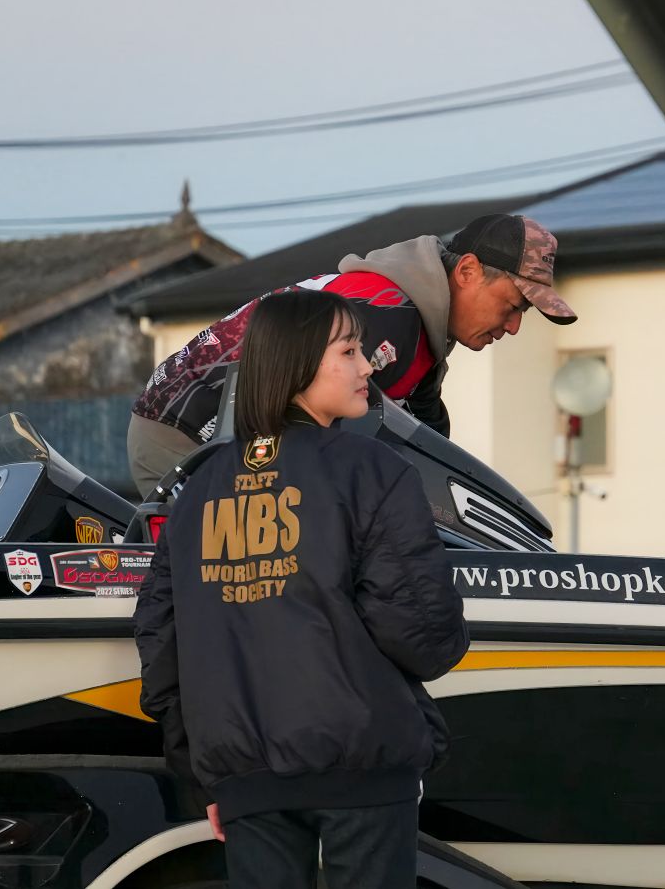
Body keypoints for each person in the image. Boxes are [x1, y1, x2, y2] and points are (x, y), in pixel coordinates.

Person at [133, 288, 469, 889]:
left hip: (245, 782)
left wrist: (209, 775)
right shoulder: (372, 470)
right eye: (349, 351)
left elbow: (161, 642)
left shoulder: (195, 491)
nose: (367, 367)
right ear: (298, 364)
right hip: (364, 770)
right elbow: (424, 636)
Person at [127, 213, 577, 496]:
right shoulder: (387, 313)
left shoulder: (420, 331)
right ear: (467, 271)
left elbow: (430, 448)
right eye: (512, 306)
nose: (514, 326)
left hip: (229, 435)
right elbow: (314, 431)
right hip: (187, 433)